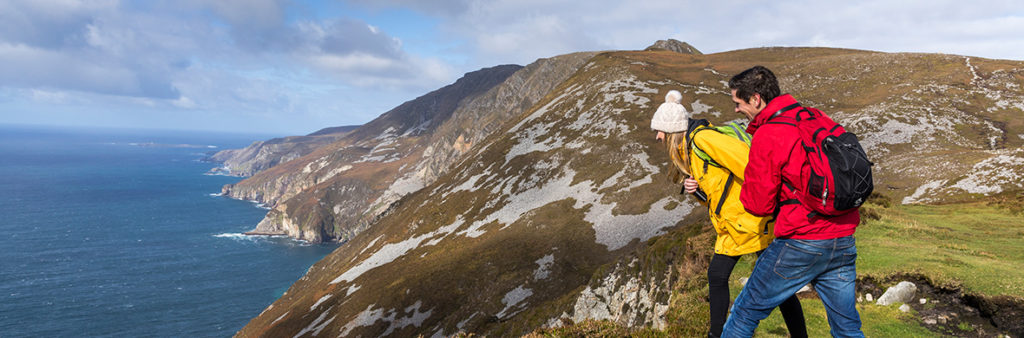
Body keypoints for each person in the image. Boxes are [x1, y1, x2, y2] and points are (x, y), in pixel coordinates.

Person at [721, 66, 864, 337]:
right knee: (847, 328)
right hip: (843, 238)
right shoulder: (814, 116)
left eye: (738, 103)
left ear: (755, 99)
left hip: (801, 240)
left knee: (744, 313)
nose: (736, 110)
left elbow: (758, 204)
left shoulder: (769, 133)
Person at [651, 89, 807, 338]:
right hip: (736, 224)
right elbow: (718, 190)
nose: (657, 137)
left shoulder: (704, 140)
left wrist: (765, 205)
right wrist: (696, 190)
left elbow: (751, 165)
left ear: (672, 131)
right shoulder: (690, 150)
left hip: (751, 220)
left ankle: (718, 335)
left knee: (735, 278)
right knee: (770, 283)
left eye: (659, 130)